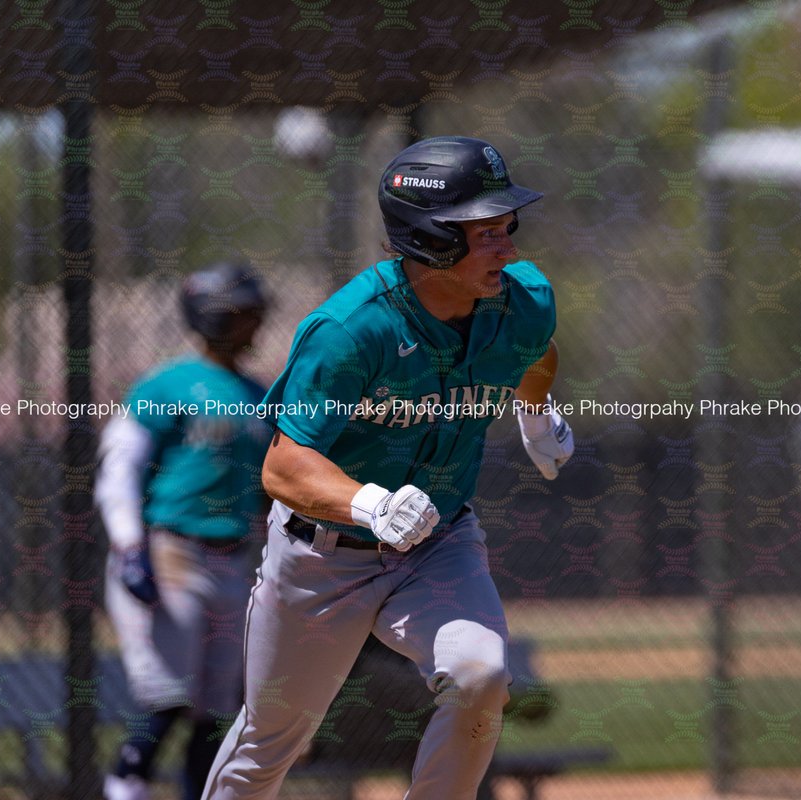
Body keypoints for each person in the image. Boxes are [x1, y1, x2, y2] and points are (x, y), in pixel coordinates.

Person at [203, 136, 575, 800]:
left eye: (506, 227)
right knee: (272, 740)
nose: (506, 247)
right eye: (482, 232)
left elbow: (532, 349)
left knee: (480, 676)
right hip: (321, 560)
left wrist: (535, 414)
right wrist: (369, 503)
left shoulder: (523, 298)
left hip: (437, 546)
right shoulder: (351, 330)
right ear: (430, 238)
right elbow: (284, 467)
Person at [96, 263, 273, 800]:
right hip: (172, 552)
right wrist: (130, 547)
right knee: (167, 697)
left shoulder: (257, 391)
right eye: (241, 313)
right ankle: (125, 787)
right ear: (213, 318)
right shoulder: (167, 383)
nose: (253, 323)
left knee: (214, 708)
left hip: (234, 557)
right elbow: (119, 470)